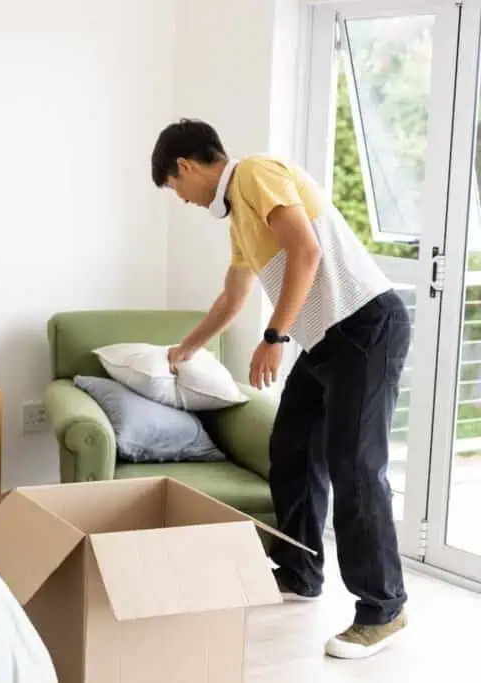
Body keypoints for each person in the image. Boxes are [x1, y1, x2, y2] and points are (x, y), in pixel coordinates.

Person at [150, 119, 410, 659]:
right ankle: (298, 571)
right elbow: (232, 297)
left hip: (365, 326)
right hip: (325, 339)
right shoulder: (239, 217)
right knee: (290, 450)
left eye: (176, 189)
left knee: (356, 469)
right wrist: (188, 348)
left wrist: (275, 336)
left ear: (186, 167)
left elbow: (306, 251)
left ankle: (382, 609)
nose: (183, 200)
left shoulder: (254, 174)